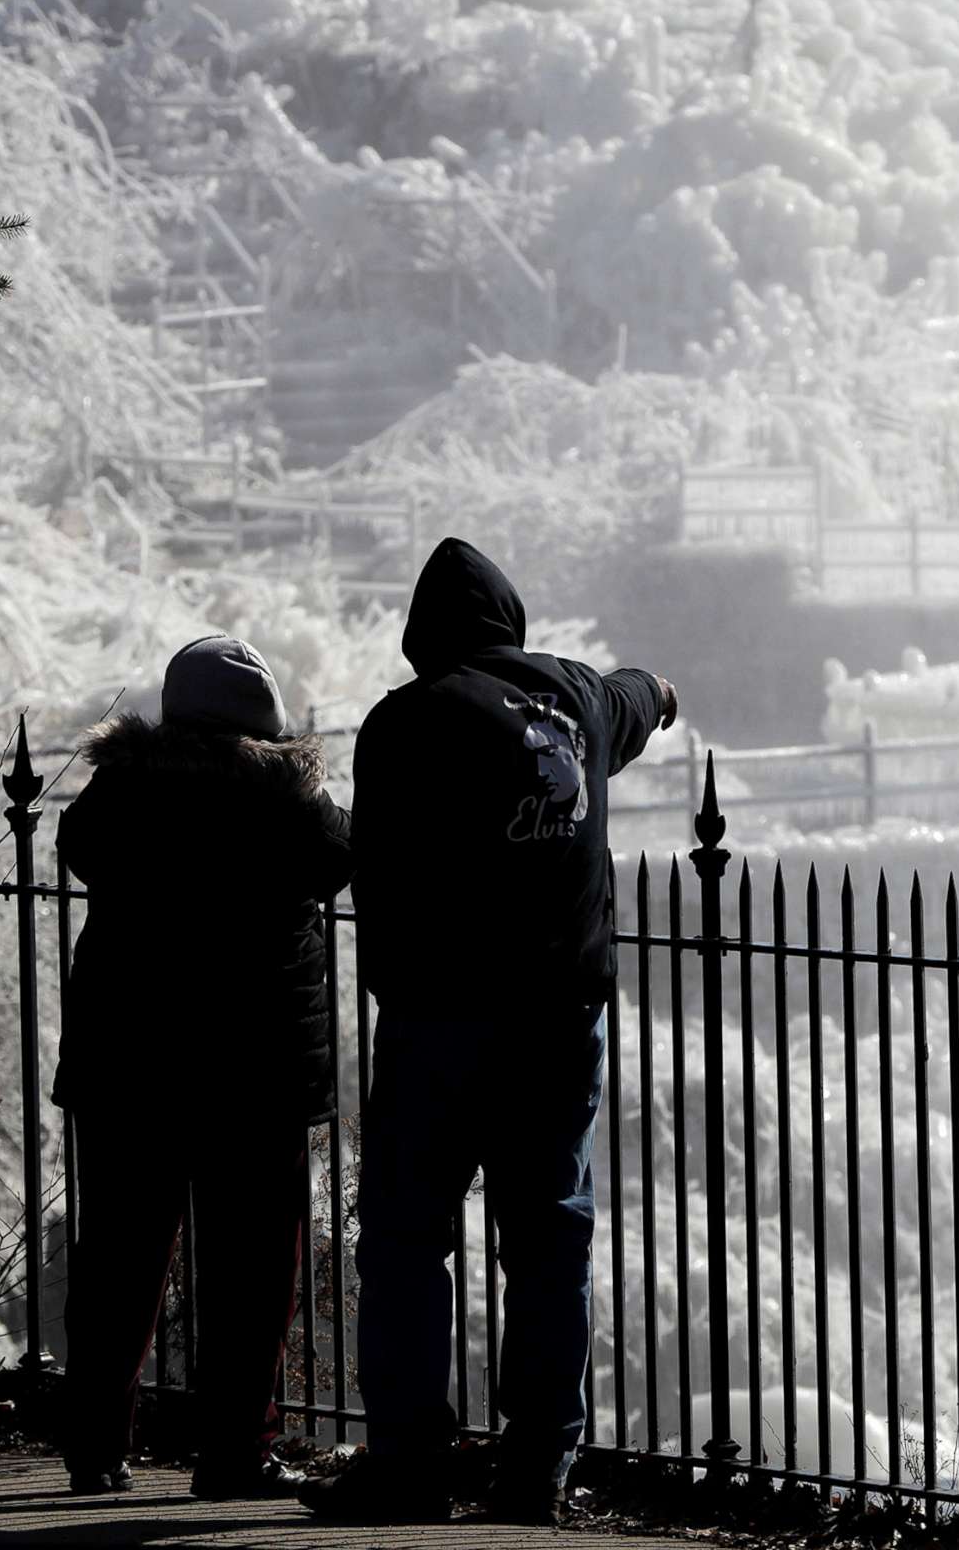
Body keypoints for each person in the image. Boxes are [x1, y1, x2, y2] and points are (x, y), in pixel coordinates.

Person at [303, 538, 677, 1527]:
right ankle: (537, 1472)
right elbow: (642, 692)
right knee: (550, 1241)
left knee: (405, 1243)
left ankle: (410, 1464)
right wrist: (664, 691)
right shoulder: (579, 699)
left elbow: (372, 860)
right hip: (560, 1020)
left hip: (439, 1022)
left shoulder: (408, 718)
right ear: (512, 624)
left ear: (423, 640)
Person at [52, 634, 352, 1501]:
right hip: (255, 1069)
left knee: (118, 1257)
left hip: (130, 1061)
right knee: (253, 1271)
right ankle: (233, 1454)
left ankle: (96, 1446)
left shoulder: (127, 791)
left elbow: (79, 842)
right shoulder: (290, 802)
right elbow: (344, 854)